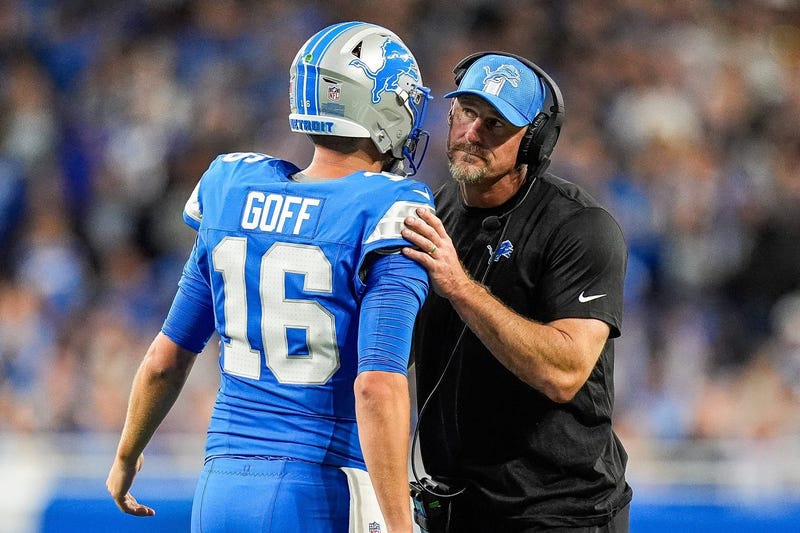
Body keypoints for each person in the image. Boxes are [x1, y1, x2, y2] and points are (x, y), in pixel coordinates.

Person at [106, 21, 435, 533]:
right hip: (321, 485)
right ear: (379, 105)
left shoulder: (232, 189)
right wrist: (400, 526)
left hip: (220, 487)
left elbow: (166, 359)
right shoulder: (390, 207)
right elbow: (375, 386)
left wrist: (127, 455)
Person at [401, 52, 633, 532]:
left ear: (533, 141)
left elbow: (565, 371)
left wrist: (460, 287)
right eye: (466, 112)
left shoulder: (581, 227)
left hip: (561, 512)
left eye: (496, 124)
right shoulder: (431, 212)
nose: (472, 134)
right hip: (457, 509)